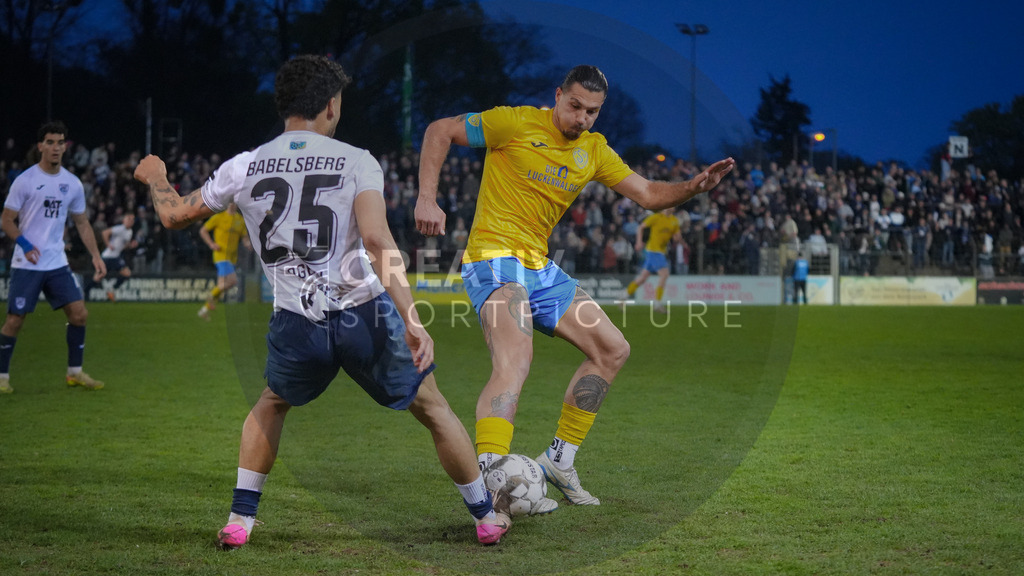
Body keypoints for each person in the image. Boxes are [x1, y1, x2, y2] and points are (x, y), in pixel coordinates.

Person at [134, 54, 508, 547]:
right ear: (331, 105)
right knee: (432, 406)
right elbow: (376, 241)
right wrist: (412, 318)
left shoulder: (243, 166)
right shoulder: (357, 160)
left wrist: (156, 175)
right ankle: (484, 517)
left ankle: (239, 521)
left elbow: (176, 215)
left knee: (271, 404)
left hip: (296, 321)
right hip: (365, 316)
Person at [415, 65, 734, 505]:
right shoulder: (514, 122)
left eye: (592, 112)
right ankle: (491, 484)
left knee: (612, 348)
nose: (582, 118)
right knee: (515, 361)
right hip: (493, 259)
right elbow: (439, 130)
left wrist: (695, 187)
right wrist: (427, 197)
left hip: (540, 267)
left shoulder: (595, 151)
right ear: (559, 95)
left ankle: (558, 461)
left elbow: (648, 195)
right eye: (575, 106)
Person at [0, 121, 107, 394]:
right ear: (40, 146)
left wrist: (96, 255)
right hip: (28, 263)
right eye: (50, 142)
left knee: (79, 314)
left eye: (60, 142)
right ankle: (1, 376)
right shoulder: (25, 181)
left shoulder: (72, 184)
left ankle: (75, 373)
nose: (56, 147)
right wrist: (24, 244)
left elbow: (82, 223)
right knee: (15, 320)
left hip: (56, 262)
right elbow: (7, 220)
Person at [196, 203, 250, 320]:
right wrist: (211, 244)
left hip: (232, 257)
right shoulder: (218, 217)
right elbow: (203, 230)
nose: (232, 205)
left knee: (221, 286)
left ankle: (204, 311)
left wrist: (248, 244)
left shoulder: (239, 220)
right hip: (221, 255)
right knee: (232, 281)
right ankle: (210, 295)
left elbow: (244, 237)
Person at [625, 208, 681, 312]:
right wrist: (639, 242)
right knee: (664, 274)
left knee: (643, 278)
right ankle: (657, 304)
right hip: (654, 250)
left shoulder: (675, 220)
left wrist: (678, 237)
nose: (673, 206)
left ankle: (623, 296)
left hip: (660, 251)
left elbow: (676, 237)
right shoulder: (656, 217)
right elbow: (640, 228)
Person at [98, 213, 137, 301]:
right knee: (97, 277)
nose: (131, 221)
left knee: (127, 274)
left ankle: (111, 291)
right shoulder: (120, 228)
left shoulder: (130, 232)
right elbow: (105, 232)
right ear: (124, 220)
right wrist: (108, 245)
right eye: (129, 219)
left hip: (115, 257)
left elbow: (124, 246)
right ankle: (85, 293)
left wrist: (131, 245)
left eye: (132, 220)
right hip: (107, 257)